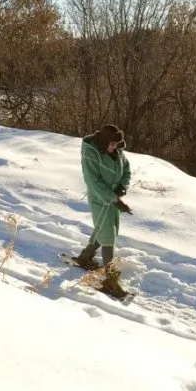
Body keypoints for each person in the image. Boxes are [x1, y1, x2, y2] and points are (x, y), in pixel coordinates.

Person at [71, 124, 131, 296]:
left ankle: (85, 256)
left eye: (117, 145)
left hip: (113, 197)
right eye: (112, 144)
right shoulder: (90, 154)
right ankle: (110, 279)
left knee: (107, 229)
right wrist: (113, 198)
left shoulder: (117, 150)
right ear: (104, 142)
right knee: (108, 237)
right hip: (99, 198)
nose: (115, 148)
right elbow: (93, 182)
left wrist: (122, 187)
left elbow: (126, 169)